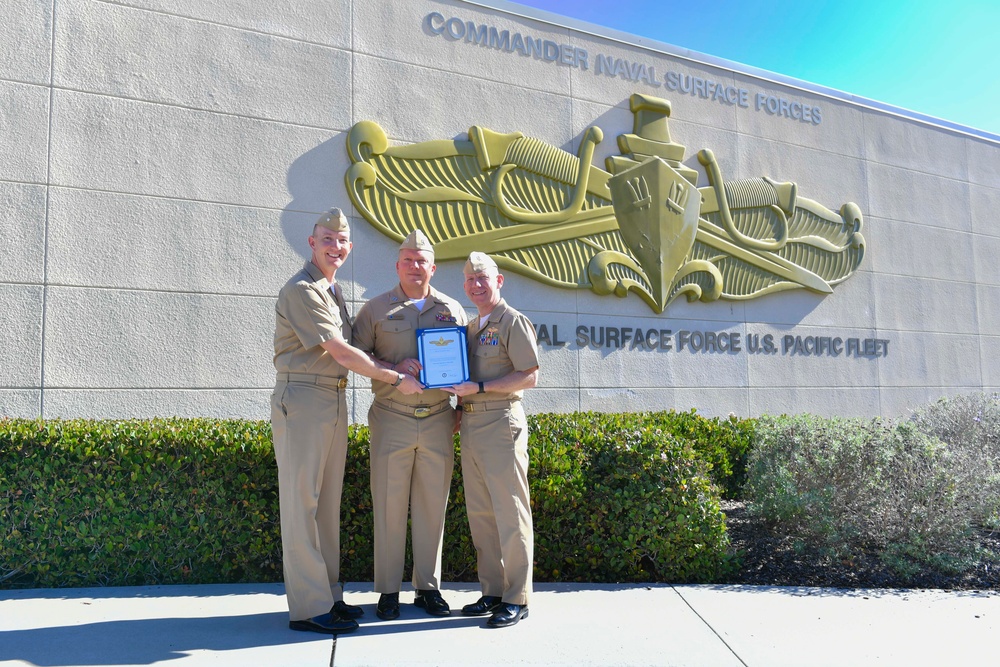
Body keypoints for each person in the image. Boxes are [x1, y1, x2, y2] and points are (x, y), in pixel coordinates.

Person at [271, 208, 423, 634]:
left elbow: (356, 349)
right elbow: (340, 351)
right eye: (327, 239)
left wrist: (400, 361)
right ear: (312, 242)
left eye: (341, 242)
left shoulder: (331, 291)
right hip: (302, 398)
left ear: (349, 248)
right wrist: (395, 376)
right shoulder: (303, 289)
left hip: (331, 400)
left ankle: (329, 595)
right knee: (302, 504)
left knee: (324, 505)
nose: (335, 248)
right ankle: (308, 607)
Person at [352, 230, 469, 621]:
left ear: (432, 267)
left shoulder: (452, 309)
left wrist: (460, 411)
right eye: (408, 260)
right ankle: (387, 591)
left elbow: (469, 364)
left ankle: (427, 588)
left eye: (422, 261)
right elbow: (358, 357)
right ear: (397, 265)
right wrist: (392, 370)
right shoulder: (375, 310)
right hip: (392, 419)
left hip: (438, 418)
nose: (415, 267)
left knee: (432, 506)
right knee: (388, 504)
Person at [444, 252, 539, 629]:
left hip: (501, 422)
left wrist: (480, 388)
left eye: (482, 278)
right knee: (481, 512)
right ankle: (493, 591)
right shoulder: (469, 328)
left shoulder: (512, 321)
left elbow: (529, 375)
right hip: (470, 424)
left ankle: (517, 597)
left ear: (498, 282)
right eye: (469, 279)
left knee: (510, 511)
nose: (475, 284)